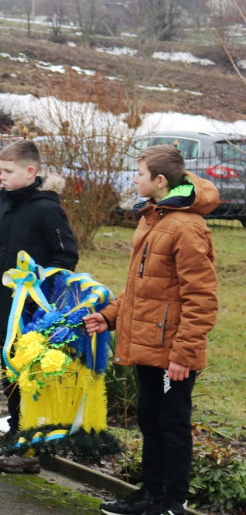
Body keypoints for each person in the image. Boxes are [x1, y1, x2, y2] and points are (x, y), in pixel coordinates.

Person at [84, 146, 218, 515]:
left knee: (172, 425)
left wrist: (184, 354)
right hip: (148, 342)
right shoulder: (153, 218)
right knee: (150, 421)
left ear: (159, 181)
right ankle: (149, 496)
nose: (134, 178)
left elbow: (202, 298)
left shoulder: (187, 227)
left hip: (172, 352)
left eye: (139, 173)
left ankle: (173, 503)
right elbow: (142, 286)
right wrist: (110, 316)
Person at [0, 138, 79, 473]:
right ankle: (15, 436)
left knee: (29, 378)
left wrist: (39, 281)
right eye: (0, 170)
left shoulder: (47, 208)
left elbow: (67, 256)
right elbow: (1, 254)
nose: (0, 176)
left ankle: (29, 450)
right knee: (10, 376)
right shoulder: (6, 201)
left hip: (30, 313)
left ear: (30, 171)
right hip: (3, 306)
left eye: (7, 171)